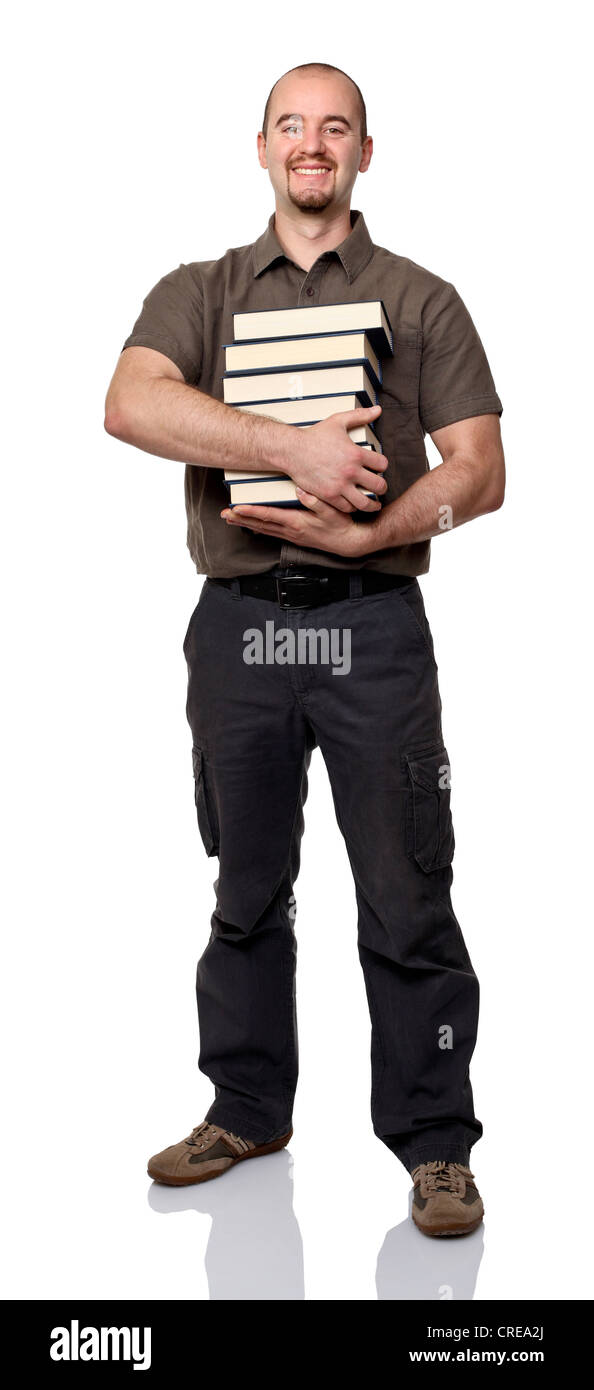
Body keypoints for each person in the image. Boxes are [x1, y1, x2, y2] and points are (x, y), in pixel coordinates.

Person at [104, 61, 505, 1238]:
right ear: (263, 147)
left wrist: (379, 518)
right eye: (293, 125)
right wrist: (297, 449)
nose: (312, 144)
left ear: (365, 153)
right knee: (245, 885)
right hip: (238, 628)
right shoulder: (204, 290)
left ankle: (437, 1145)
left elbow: (481, 470)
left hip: (375, 628)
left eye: (336, 128)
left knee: (407, 891)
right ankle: (246, 1106)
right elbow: (130, 402)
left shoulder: (424, 298)